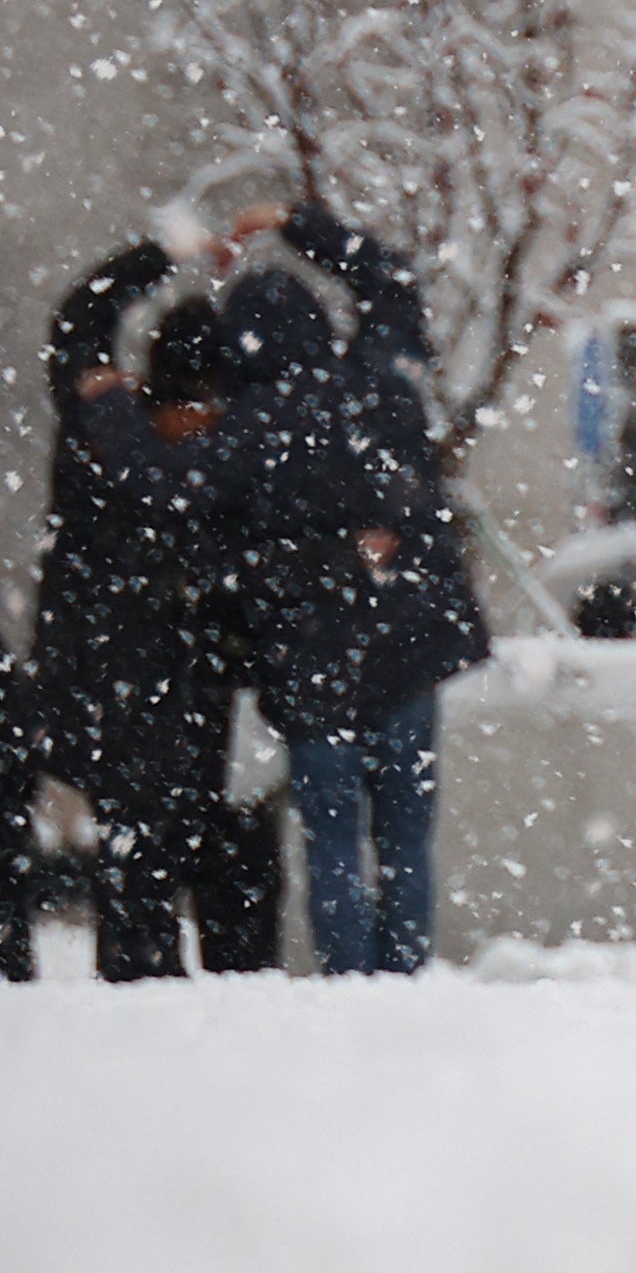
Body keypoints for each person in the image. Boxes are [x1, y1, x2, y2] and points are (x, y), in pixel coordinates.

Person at [212, 205, 495, 979]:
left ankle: (350, 979)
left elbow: (236, 556)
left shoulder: (247, 426)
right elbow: (392, 281)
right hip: (409, 640)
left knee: (331, 839)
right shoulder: (380, 384)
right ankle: (404, 973)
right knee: (406, 835)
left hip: (314, 664)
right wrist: (300, 223)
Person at [42, 257, 272, 978]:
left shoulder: (107, 430)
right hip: (203, 676)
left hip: (113, 671)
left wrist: (157, 256)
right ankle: (232, 977)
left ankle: (139, 972)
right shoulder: (232, 457)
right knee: (225, 842)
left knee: (135, 846)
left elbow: (77, 326)